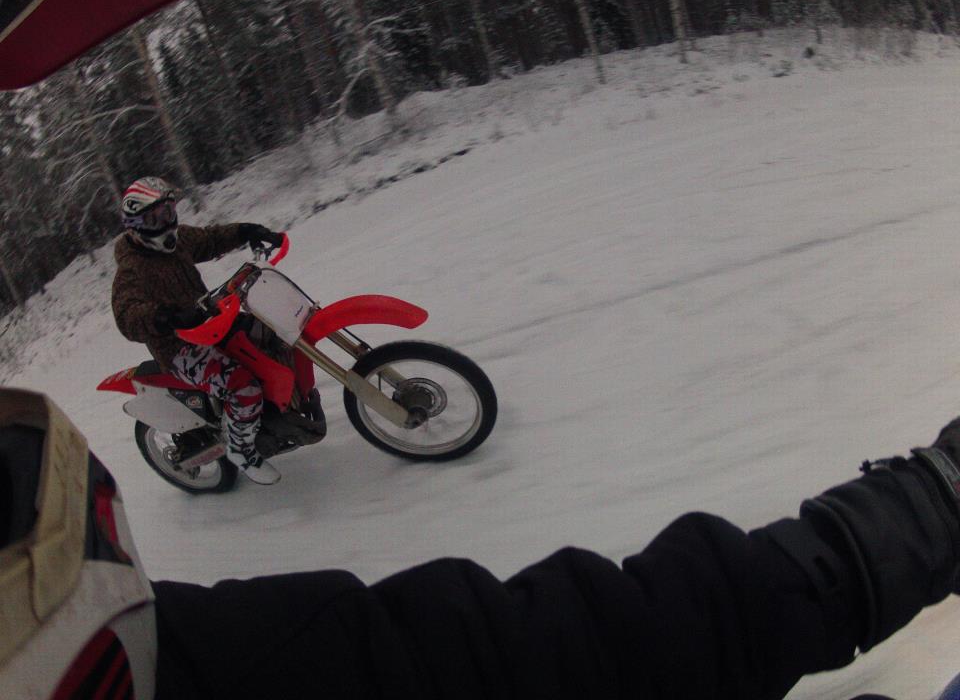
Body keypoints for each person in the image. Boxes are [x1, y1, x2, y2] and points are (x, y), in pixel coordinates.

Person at [3, 388, 960, 700]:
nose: (159, 221)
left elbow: (511, 661)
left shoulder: (205, 667)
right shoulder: (136, 274)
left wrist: (914, 517)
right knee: (234, 387)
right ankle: (243, 447)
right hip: (185, 352)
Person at [111, 177, 287, 486]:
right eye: (155, 218)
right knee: (243, 387)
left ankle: (277, 413)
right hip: (178, 348)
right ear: (137, 226)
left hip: (210, 324)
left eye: (168, 212)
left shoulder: (178, 241)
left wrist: (247, 231)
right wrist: (165, 317)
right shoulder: (131, 270)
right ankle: (241, 449)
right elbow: (127, 316)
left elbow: (210, 239)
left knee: (271, 334)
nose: (166, 223)